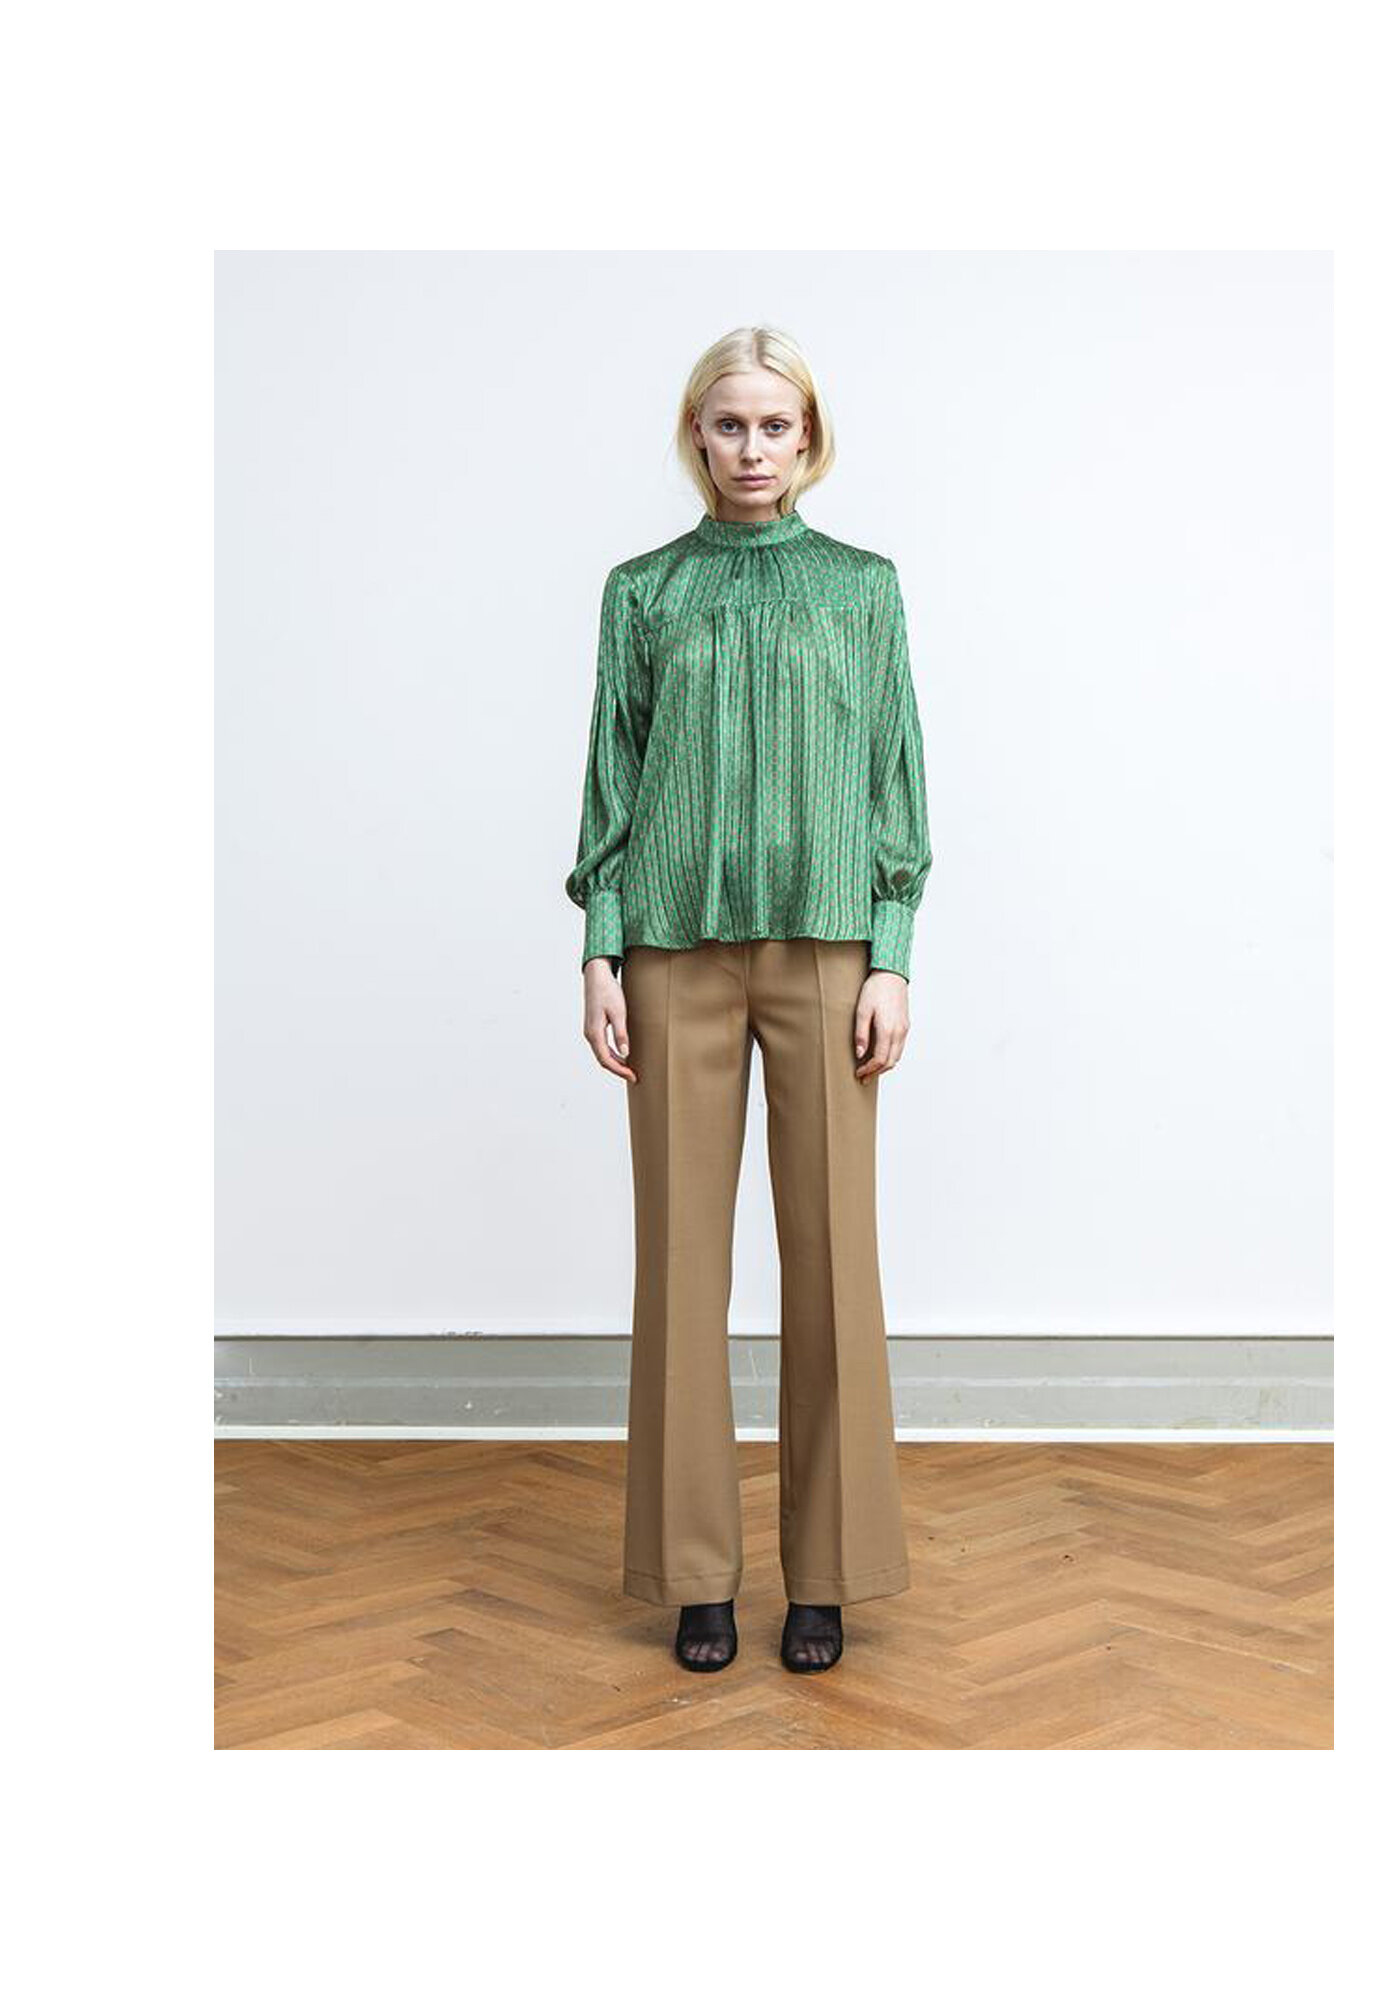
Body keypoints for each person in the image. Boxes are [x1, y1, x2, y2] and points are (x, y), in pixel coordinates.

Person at [564, 324, 933, 1674]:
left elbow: (895, 774)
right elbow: (612, 778)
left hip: (828, 949)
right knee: (679, 1265)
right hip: (673, 951)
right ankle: (694, 1575)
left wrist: (891, 951)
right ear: (697, 435)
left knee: (833, 1259)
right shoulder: (643, 592)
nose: (754, 447)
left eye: (777, 424)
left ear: (809, 436)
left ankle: (827, 1573)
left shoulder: (862, 589)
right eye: (730, 424)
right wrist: (601, 949)